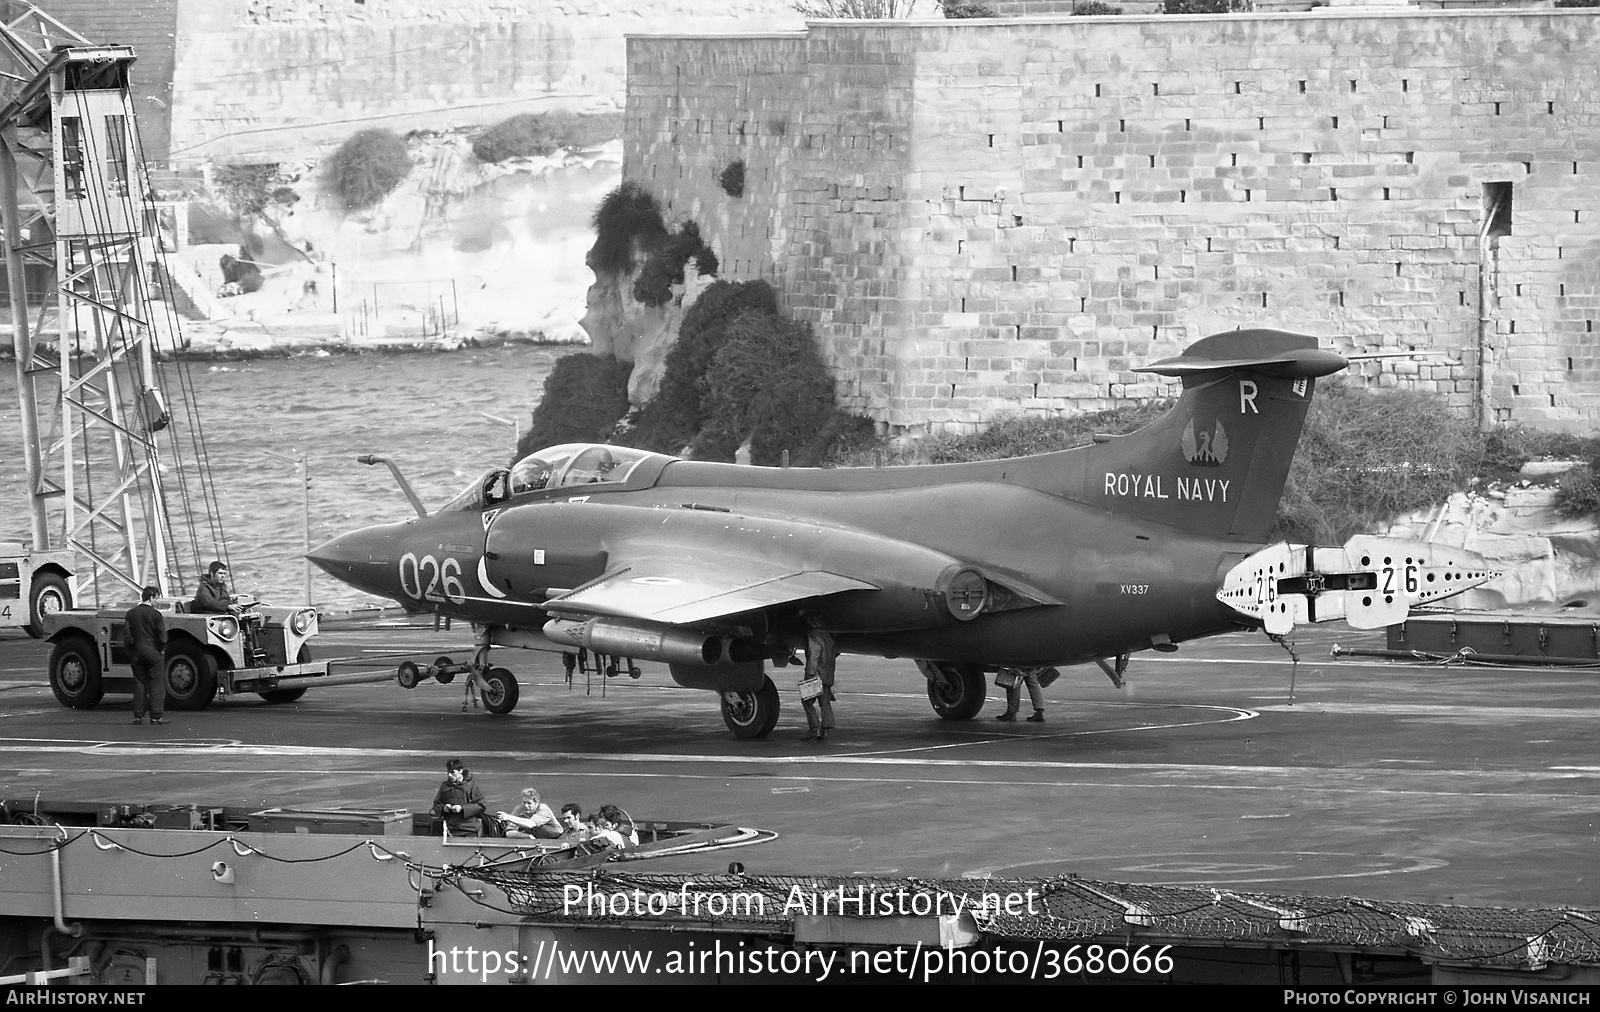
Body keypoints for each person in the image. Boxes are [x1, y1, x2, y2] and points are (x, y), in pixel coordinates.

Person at [122, 586, 167, 726]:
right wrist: (162, 649)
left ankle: (138, 716)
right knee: (156, 683)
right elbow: (162, 636)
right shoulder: (156, 615)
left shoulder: (131, 613)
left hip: (136, 652)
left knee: (139, 683)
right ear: (152, 597)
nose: (157, 601)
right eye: (157, 598)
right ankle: (156, 716)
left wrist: (131, 650)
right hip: (153, 652)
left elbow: (127, 636)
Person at [430, 758, 487, 837]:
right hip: (450, 828)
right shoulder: (445, 786)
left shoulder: (471, 786)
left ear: (461, 771)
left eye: (453, 772)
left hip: (469, 829)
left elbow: (481, 805)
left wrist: (462, 808)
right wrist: (444, 808)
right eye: (448, 772)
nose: (450, 775)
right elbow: (435, 807)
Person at [799, 628, 838, 742]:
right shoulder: (828, 637)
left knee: (807, 701)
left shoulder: (814, 637)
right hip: (827, 675)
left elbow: (814, 656)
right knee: (825, 703)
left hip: (817, 675)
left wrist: (809, 676)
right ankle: (825, 729)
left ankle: (814, 729)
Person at [497, 788, 563, 840]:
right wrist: (528, 836)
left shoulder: (543, 809)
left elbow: (530, 824)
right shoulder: (519, 809)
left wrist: (508, 817)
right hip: (537, 840)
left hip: (557, 839)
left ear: (536, 803)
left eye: (529, 803)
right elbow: (509, 833)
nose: (526, 806)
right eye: (524, 802)